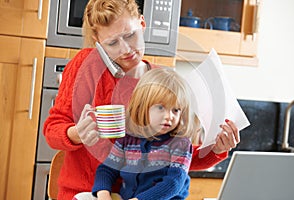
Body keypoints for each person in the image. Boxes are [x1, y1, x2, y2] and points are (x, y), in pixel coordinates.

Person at [43, 0, 240, 200]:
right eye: (112, 43)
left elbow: (175, 156)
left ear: (142, 23)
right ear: (97, 40)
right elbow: (52, 131)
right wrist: (77, 134)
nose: (125, 49)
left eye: (130, 35)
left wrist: (216, 149)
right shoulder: (86, 65)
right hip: (85, 191)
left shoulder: (161, 80)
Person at [92, 68, 200, 200]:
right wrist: (103, 193)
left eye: (175, 110)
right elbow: (107, 169)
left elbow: (173, 183)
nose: (169, 116)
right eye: (161, 107)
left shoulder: (180, 144)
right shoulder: (128, 138)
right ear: (142, 106)